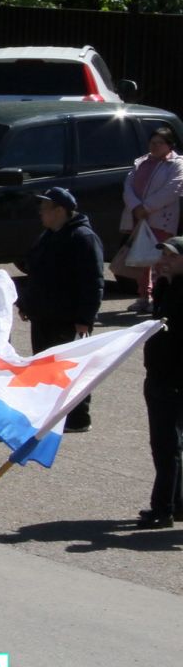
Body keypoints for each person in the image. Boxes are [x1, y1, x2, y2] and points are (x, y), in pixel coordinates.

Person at [20, 187, 106, 432]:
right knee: (47, 369)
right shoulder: (48, 236)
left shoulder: (83, 238)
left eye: (45, 208)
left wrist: (85, 318)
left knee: (71, 371)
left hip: (67, 319)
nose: (40, 212)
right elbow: (36, 273)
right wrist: (27, 303)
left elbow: (93, 282)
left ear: (60, 211)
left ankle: (78, 418)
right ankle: (52, 414)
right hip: (44, 316)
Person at [139, 237, 183, 528]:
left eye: (171, 256)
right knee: (168, 446)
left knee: (167, 447)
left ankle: (162, 508)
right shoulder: (168, 287)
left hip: (173, 380)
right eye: (163, 254)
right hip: (159, 376)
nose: (164, 260)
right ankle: (176, 504)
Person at [122, 125, 183, 313]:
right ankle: (143, 297)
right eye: (152, 142)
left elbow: (174, 189)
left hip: (160, 219)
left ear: (169, 145)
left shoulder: (176, 164)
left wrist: (146, 207)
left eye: (159, 143)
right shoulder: (141, 162)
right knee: (141, 258)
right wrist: (136, 207)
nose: (154, 146)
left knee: (160, 260)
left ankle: (159, 297)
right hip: (139, 218)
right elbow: (128, 186)